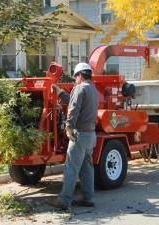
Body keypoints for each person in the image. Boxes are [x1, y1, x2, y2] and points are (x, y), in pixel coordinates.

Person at [46, 62, 99, 210]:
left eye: (76, 76)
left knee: (71, 167)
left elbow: (74, 109)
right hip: (90, 135)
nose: (75, 79)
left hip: (79, 135)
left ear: (80, 75)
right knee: (86, 167)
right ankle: (88, 198)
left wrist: (68, 126)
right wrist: (60, 92)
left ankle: (63, 200)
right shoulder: (92, 89)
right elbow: (74, 101)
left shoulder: (80, 88)